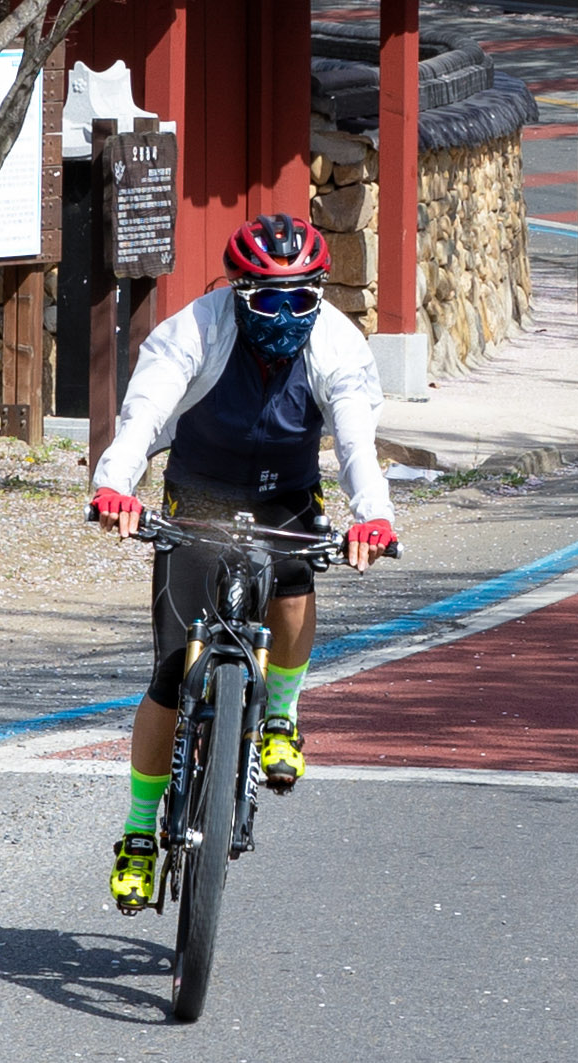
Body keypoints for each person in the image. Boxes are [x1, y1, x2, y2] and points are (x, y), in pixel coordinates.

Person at [84, 211, 400, 909]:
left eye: (301, 297)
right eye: (267, 298)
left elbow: (354, 446)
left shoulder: (339, 346)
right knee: (170, 671)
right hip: (197, 494)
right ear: (238, 292)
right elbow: (141, 417)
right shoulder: (191, 331)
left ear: (318, 293)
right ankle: (139, 834)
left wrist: (373, 518)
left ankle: (280, 717)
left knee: (293, 581)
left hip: (285, 492)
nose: (285, 312)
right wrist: (114, 487)